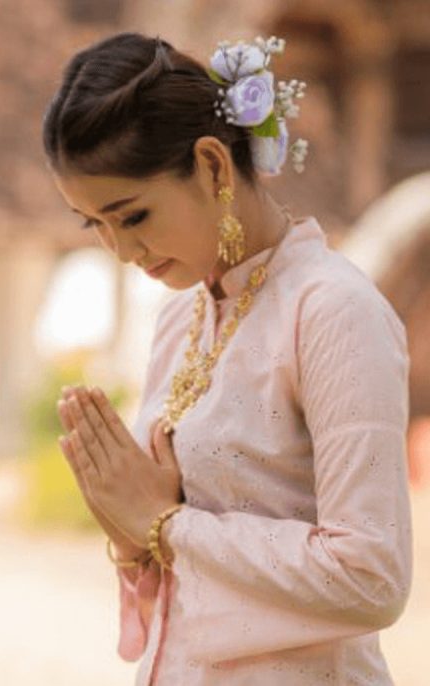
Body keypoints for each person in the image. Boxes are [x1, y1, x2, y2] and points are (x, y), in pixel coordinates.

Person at [43, 33, 411, 683]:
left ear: (213, 166)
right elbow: (180, 570)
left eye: (132, 216)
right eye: (93, 224)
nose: (120, 251)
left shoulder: (331, 310)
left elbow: (371, 576)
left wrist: (166, 525)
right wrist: (135, 540)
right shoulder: (182, 315)